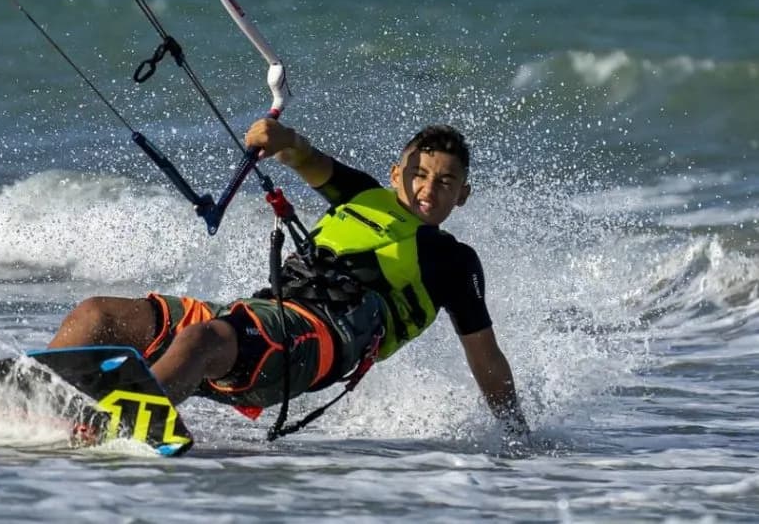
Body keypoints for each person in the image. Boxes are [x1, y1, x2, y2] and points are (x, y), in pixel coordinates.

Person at [48, 117, 529, 439]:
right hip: (263, 316)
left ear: (462, 194)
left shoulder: (454, 262)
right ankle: (41, 408)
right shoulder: (362, 193)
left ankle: (121, 430)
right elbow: (302, 155)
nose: (428, 188)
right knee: (98, 315)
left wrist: (516, 437)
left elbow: (486, 358)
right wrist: (277, 137)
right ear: (395, 172)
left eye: (445, 182)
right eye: (419, 174)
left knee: (201, 341)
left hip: (317, 346)